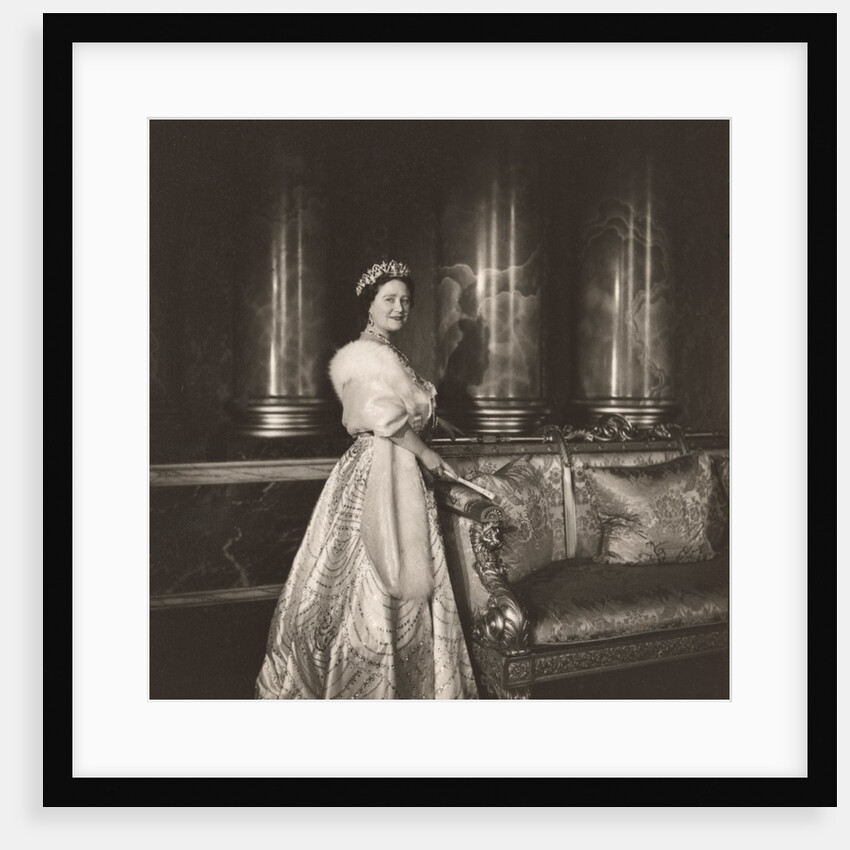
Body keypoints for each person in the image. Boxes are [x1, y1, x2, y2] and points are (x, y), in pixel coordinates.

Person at [255, 259, 479, 699]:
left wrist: (438, 425)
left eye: (405, 301)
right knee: (374, 575)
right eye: (389, 300)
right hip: (380, 470)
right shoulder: (362, 354)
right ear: (370, 306)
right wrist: (427, 452)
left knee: (404, 575)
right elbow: (383, 416)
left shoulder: (389, 352)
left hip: (398, 466)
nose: (399, 308)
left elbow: (404, 408)